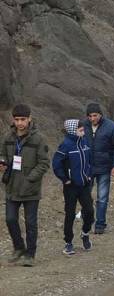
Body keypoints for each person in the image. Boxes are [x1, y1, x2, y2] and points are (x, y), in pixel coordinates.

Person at [1, 105, 50, 266]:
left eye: (23, 119)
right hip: (12, 187)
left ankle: (30, 254)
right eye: (17, 119)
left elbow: (44, 163)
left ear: (29, 118)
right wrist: (2, 164)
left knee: (30, 223)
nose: (20, 123)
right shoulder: (8, 137)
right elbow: (3, 156)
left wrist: (30, 179)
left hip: (30, 189)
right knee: (10, 219)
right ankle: (19, 247)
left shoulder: (39, 139)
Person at [52, 119, 94, 255]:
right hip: (70, 186)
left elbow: (89, 161)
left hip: (84, 185)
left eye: (83, 129)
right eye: (80, 130)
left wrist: (88, 174)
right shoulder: (65, 145)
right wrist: (65, 179)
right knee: (70, 214)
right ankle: (68, 242)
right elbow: (56, 164)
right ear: (72, 131)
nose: (83, 132)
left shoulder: (85, 142)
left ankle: (85, 233)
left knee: (89, 211)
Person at [82, 103, 114, 235]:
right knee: (85, 196)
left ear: (100, 114)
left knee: (102, 197)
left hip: (105, 166)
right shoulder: (83, 126)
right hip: (87, 167)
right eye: (90, 116)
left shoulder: (111, 127)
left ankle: (100, 224)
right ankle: (88, 221)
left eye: (95, 115)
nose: (92, 118)